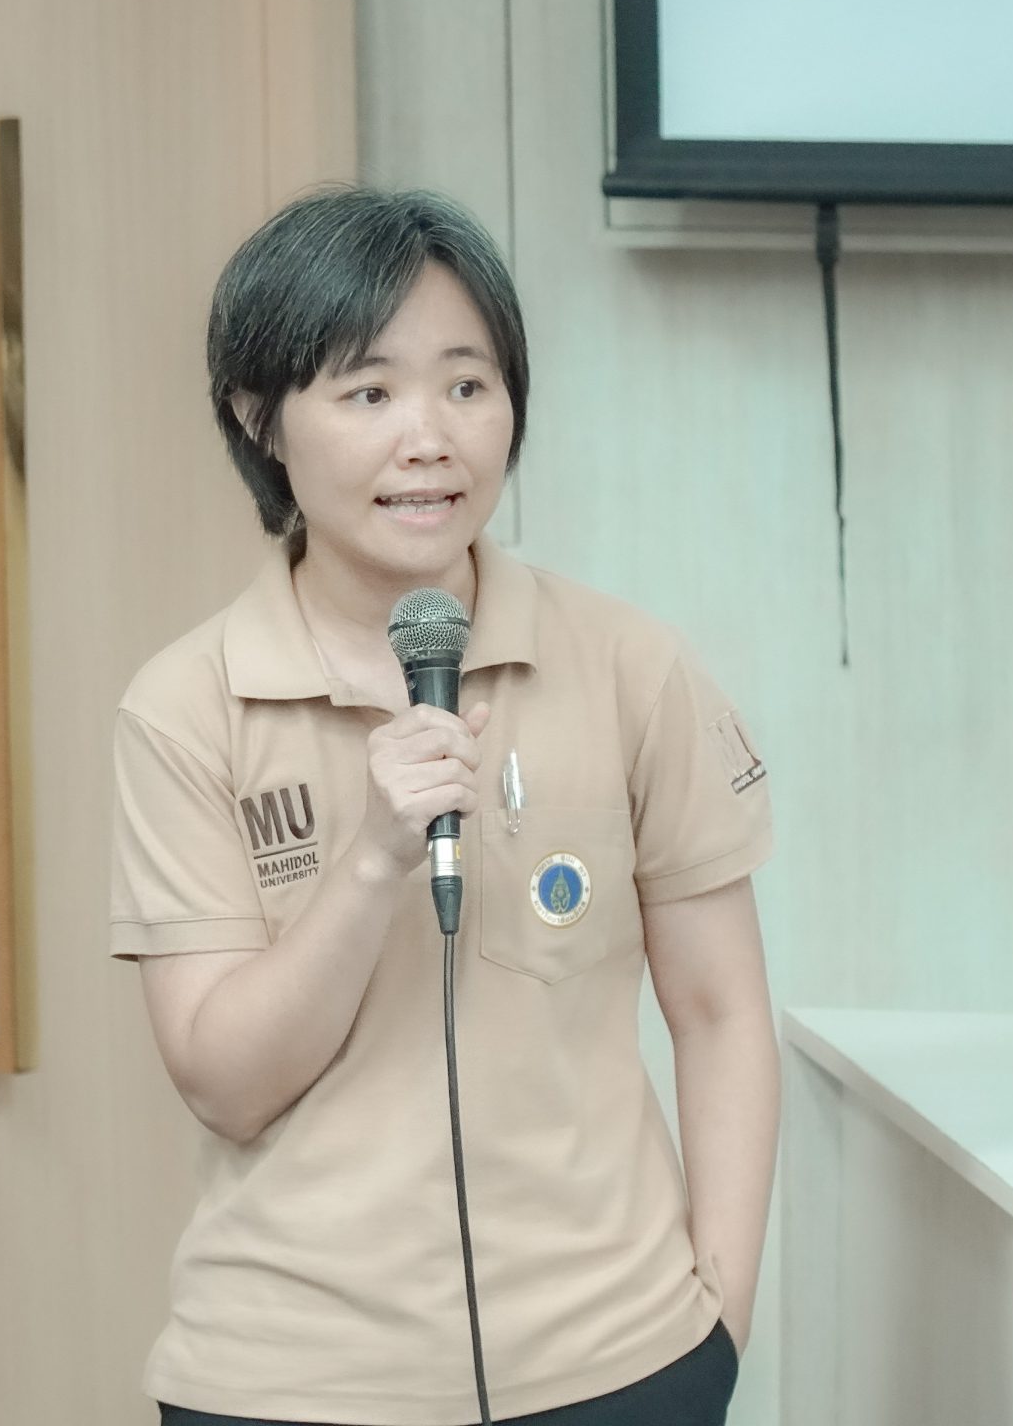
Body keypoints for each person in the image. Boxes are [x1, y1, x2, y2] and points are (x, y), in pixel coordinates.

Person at [108, 186, 778, 1426]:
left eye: (466, 385)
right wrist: (371, 860)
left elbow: (720, 1010)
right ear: (258, 417)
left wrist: (716, 1326)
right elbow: (224, 1083)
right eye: (369, 394)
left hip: (617, 1364)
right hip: (286, 1379)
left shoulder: (630, 666)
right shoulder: (186, 706)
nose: (430, 439)